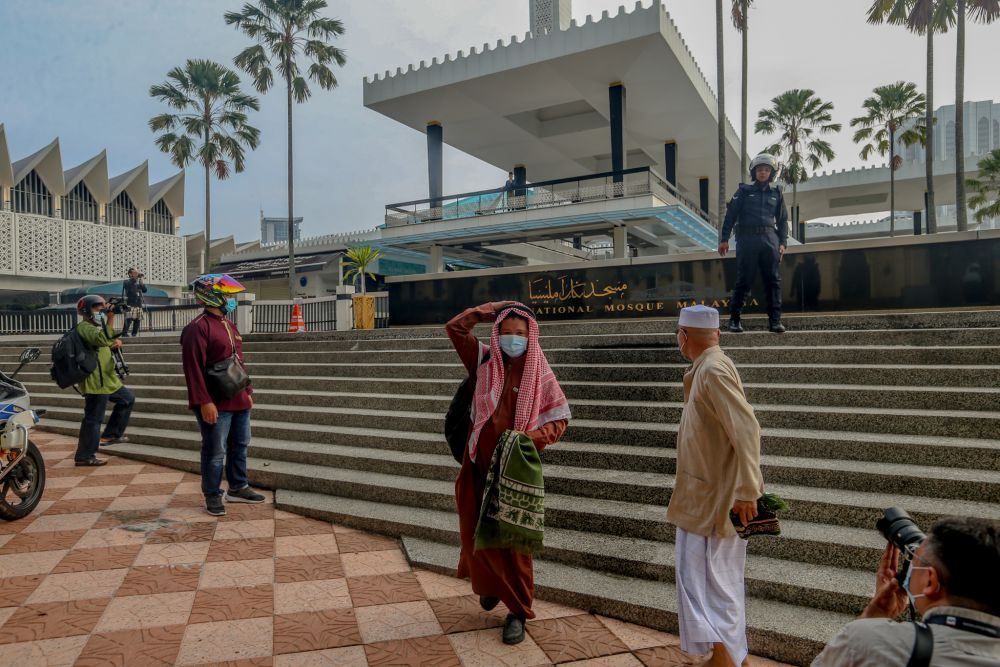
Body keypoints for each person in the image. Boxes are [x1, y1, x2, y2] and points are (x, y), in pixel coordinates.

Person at [446, 300, 571, 645]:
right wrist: (492, 309)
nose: (513, 339)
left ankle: (518, 611)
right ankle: (491, 588)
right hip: (477, 467)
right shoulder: (484, 360)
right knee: (476, 532)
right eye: (506, 332)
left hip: (513, 471)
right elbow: (455, 328)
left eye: (520, 334)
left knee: (515, 544)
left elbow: (559, 420)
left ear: (531, 338)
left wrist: (526, 439)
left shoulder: (540, 372)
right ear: (496, 333)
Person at [665, 305, 764, 667]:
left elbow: (747, 428)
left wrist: (748, 490)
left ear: (683, 336)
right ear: (716, 334)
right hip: (702, 499)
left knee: (716, 587)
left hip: (716, 503)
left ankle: (730, 660)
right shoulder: (705, 367)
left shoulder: (714, 369)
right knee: (702, 586)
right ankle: (723, 656)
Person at [812, 516, 1000, 666]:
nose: (909, 569)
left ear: (931, 581)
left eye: (915, 563)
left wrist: (868, 621)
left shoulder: (869, 644)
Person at [180, 274, 264, 517]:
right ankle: (212, 494)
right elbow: (193, 369)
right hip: (214, 401)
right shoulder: (197, 328)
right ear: (211, 295)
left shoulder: (229, 325)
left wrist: (248, 391)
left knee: (240, 444)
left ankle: (238, 487)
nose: (229, 299)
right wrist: (203, 401)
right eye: (226, 295)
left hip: (237, 398)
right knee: (215, 450)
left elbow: (238, 363)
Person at [718, 153, 789, 334]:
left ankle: (775, 322)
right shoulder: (743, 191)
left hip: (769, 239)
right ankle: (734, 321)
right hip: (747, 239)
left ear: (771, 173)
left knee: (773, 280)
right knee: (744, 280)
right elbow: (731, 216)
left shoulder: (777, 194)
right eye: (760, 170)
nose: (763, 173)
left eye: (766, 170)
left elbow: (782, 221)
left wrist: (783, 242)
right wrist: (724, 239)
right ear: (754, 172)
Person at [74, 295, 135, 466]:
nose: (101, 311)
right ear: (86, 311)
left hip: (107, 379)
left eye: (102, 308)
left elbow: (104, 340)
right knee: (93, 419)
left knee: (127, 399)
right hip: (95, 380)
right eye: (97, 309)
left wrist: (114, 342)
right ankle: (85, 456)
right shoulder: (85, 327)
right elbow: (101, 339)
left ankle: (112, 434)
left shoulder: (95, 327)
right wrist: (110, 318)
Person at [121, 267, 147, 337]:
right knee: (128, 319)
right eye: (135, 273)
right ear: (130, 274)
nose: (137, 274)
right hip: (130, 303)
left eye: (137, 273)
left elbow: (144, 290)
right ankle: (124, 333)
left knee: (137, 320)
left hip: (138, 304)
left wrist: (142, 283)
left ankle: (134, 334)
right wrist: (135, 279)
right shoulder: (126, 282)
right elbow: (128, 287)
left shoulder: (138, 282)